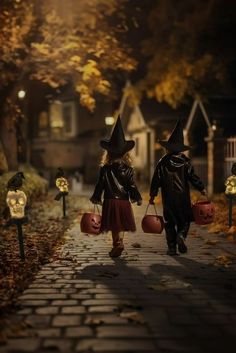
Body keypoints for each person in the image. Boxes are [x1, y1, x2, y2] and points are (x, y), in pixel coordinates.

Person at [149, 119, 207, 256]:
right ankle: (181, 235)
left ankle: (171, 248)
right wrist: (201, 188)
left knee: (169, 223)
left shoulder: (162, 162)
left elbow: (156, 179)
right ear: (180, 148)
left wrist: (152, 194)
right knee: (185, 220)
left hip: (168, 198)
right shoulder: (185, 162)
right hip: (182, 197)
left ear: (167, 147)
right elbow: (193, 177)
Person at [90, 116, 142, 257]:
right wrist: (137, 197)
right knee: (122, 224)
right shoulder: (128, 169)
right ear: (125, 153)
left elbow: (100, 184)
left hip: (110, 200)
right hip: (124, 201)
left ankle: (116, 244)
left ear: (109, 152)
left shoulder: (105, 168)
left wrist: (96, 197)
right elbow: (131, 185)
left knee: (114, 225)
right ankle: (120, 242)